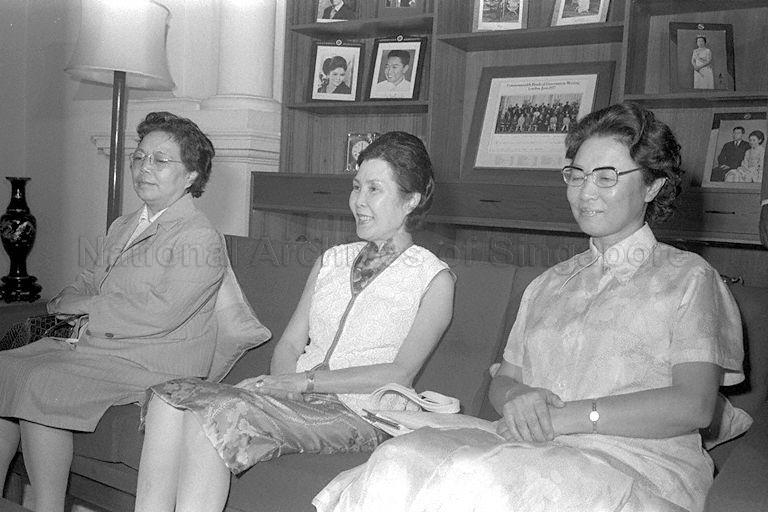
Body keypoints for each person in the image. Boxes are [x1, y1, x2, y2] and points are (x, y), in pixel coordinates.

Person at [312, 103, 745, 512]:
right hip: (535, 451)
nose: (585, 192)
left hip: (635, 466)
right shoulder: (548, 284)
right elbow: (506, 381)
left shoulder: (689, 277)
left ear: (652, 184)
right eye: (576, 175)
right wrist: (517, 395)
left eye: (606, 177)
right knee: (397, 459)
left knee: (473, 478)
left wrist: (562, 418)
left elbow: (694, 404)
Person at [133, 131, 455, 512]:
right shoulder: (331, 260)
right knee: (169, 398)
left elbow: (399, 373)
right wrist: (281, 384)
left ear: (411, 200)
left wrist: (301, 382)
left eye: (374, 189)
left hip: (362, 411)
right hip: (299, 397)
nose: (359, 202)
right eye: (356, 187)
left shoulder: (433, 279)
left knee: (213, 417)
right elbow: (289, 343)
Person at [0, 112, 227, 512]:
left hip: (156, 359)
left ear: (191, 175)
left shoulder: (200, 237)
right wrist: (66, 304)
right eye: (139, 158)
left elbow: (160, 313)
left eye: (160, 160)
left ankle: (47, 507)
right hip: (103, 347)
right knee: (5, 365)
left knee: (40, 379)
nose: (143, 168)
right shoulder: (124, 225)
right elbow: (86, 282)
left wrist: (80, 309)